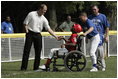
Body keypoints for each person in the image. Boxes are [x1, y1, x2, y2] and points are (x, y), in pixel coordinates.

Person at [21, 4, 61, 71]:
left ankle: (36, 68)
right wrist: (27, 31)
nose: (45, 12)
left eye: (46, 10)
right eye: (44, 10)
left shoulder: (44, 19)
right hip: (30, 33)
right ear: (40, 9)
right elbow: (25, 23)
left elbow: (48, 29)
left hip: (38, 34)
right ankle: (23, 68)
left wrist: (56, 36)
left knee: (38, 51)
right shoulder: (31, 14)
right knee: (26, 51)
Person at [88, 5, 110, 71]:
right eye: (92, 9)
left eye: (95, 9)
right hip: (93, 36)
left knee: (100, 51)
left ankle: (103, 65)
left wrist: (107, 36)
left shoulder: (102, 16)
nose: (93, 10)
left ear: (98, 9)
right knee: (94, 52)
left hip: (100, 35)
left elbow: (107, 27)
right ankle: (96, 65)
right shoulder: (90, 17)